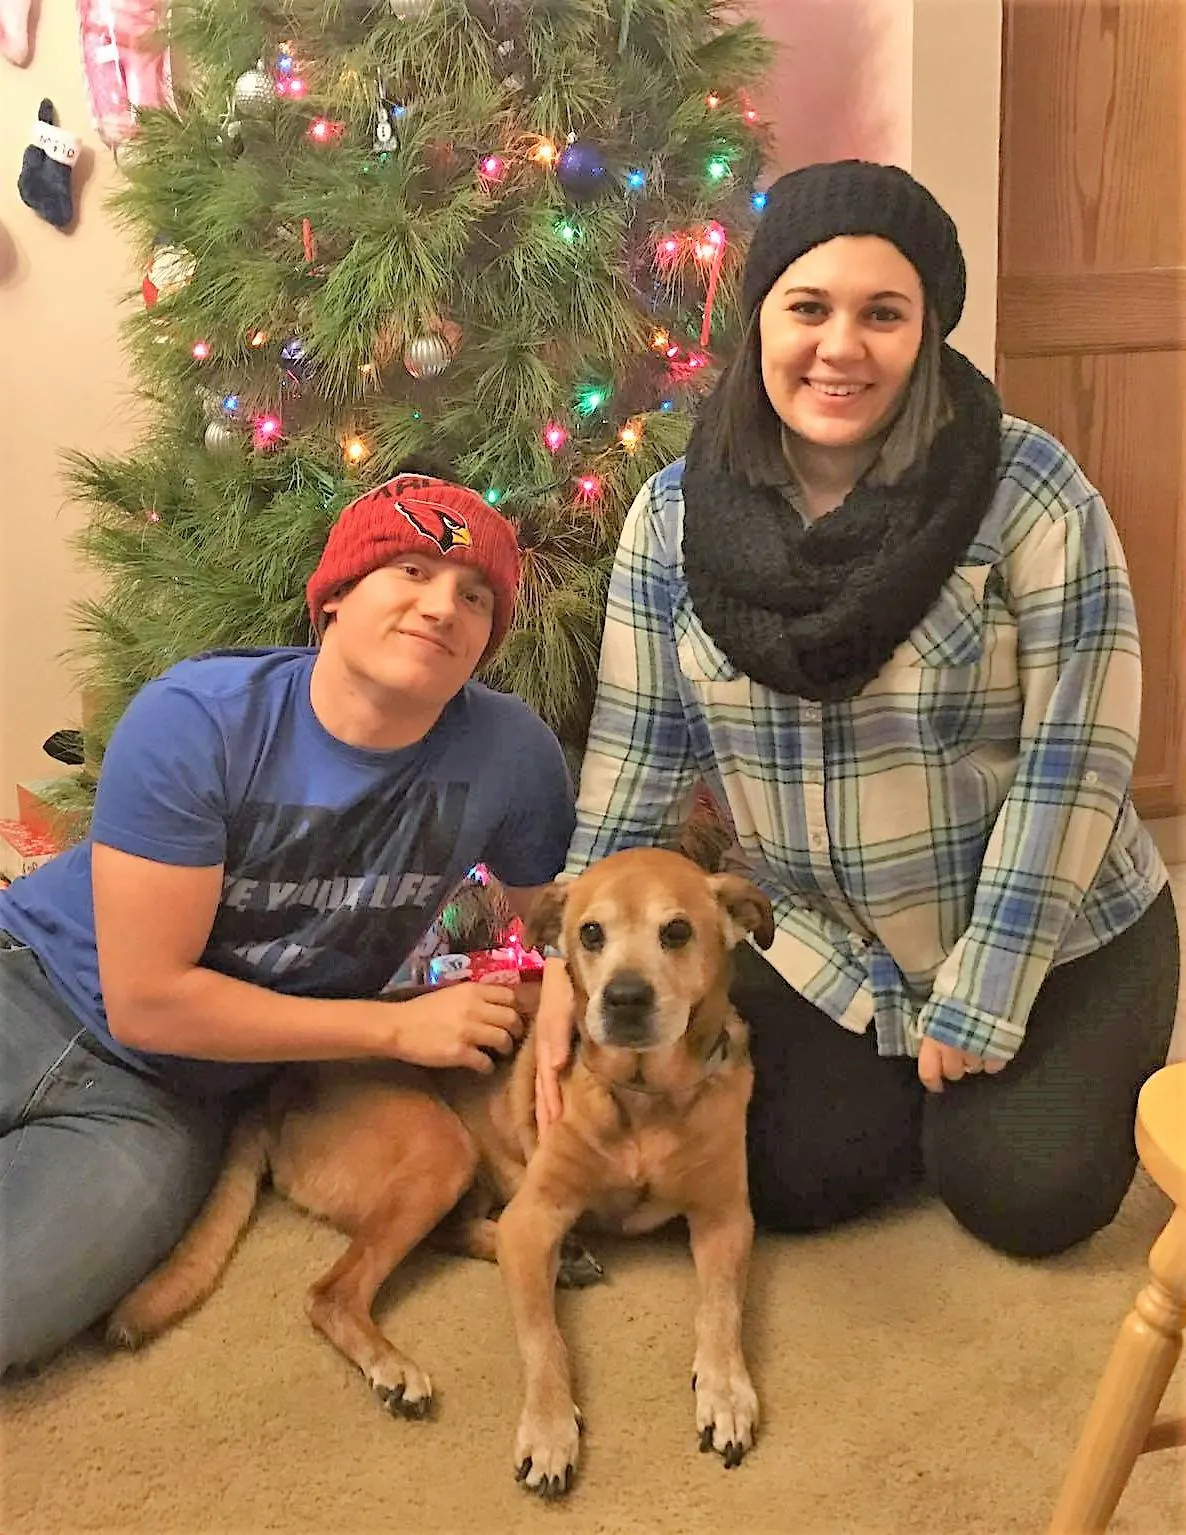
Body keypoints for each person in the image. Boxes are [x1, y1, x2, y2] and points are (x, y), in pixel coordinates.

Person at [533, 160, 1180, 1260]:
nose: (841, 347)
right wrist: (565, 968)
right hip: (827, 945)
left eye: (884, 313)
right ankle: (918, 1095)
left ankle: (1003, 1086)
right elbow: (636, 761)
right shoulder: (672, 515)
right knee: (785, 1177)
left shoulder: (1026, 487)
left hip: (1054, 927)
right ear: (760, 320)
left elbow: (1078, 754)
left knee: (1025, 1197)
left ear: (926, 330)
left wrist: (984, 989)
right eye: (808, 307)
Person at [0, 471, 575, 1375]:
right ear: (335, 598)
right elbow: (148, 1000)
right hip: (27, 978)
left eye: (476, 597)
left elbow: (563, 926)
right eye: (413, 572)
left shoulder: (513, 755)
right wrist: (397, 1026)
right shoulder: (198, 718)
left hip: (170, 1101)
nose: (444, 607)